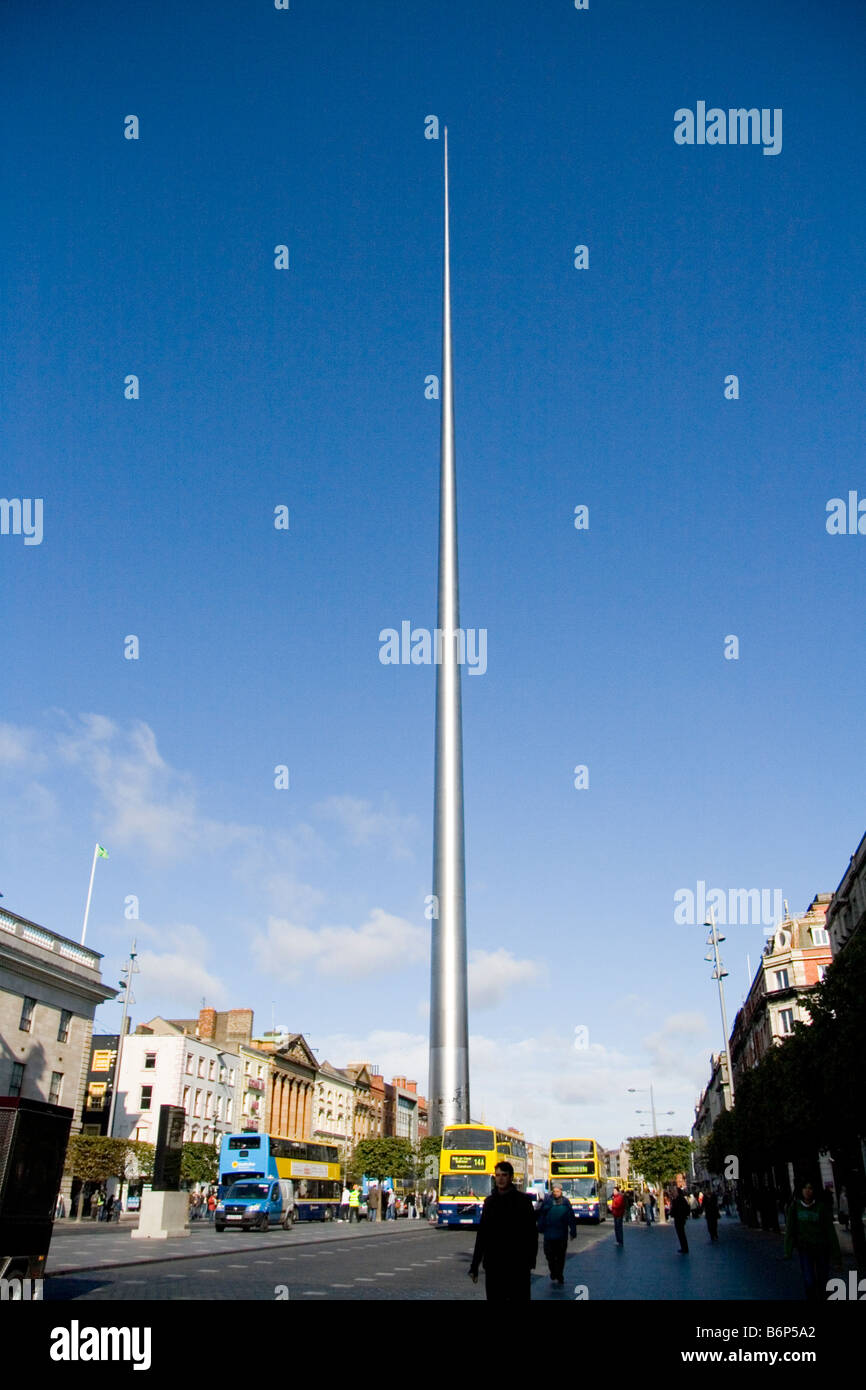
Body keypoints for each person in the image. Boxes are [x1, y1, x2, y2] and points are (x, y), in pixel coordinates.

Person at [468, 1162, 538, 1301]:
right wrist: (474, 1265)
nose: (500, 1179)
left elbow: (531, 1233)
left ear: (511, 1177)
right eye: (498, 1175)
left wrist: (530, 1260)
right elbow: (482, 1235)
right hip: (494, 1265)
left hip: (518, 1265)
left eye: (504, 1175)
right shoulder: (489, 1202)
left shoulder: (523, 1201)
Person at [784, 1179, 840, 1301]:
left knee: (822, 1280)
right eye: (805, 1188)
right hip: (805, 1249)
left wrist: (837, 1257)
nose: (808, 1191)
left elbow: (830, 1232)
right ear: (801, 1190)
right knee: (809, 1280)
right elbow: (790, 1229)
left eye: (810, 1188)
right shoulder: (795, 1207)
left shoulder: (821, 1208)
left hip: (821, 1248)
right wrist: (787, 1250)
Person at [536, 1182, 577, 1285]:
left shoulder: (566, 1203)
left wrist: (573, 1232)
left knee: (560, 1257)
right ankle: (553, 1271)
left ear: (561, 1191)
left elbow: (571, 1218)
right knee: (549, 1255)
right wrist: (540, 1227)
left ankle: (559, 1275)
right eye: (554, 1191)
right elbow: (542, 1216)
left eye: (557, 1191)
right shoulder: (548, 1202)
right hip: (549, 1235)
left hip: (561, 1235)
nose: (555, 1193)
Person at [671, 1175, 690, 1254]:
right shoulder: (679, 1199)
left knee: (681, 1233)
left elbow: (684, 1208)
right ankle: (684, 1247)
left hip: (680, 1218)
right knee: (681, 1234)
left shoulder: (679, 1200)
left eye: (675, 1191)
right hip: (679, 1218)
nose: (673, 1192)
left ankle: (684, 1248)